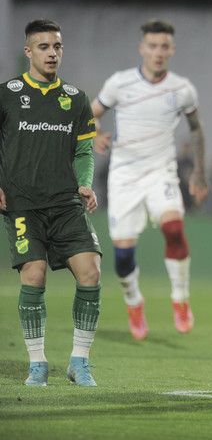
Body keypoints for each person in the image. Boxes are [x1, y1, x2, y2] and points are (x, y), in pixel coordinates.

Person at [91, 20, 208, 340]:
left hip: (162, 172)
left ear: (172, 50)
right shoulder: (120, 83)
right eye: (152, 46)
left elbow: (196, 128)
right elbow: (90, 114)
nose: (158, 52)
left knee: (174, 227)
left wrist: (198, 171)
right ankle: (134, 303)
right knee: (124, 254)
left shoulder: (182, 88)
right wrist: (95, 135)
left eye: (164, 46)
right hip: (124, 176)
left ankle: (180, 300)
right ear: (142, 48)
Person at [1, 19, 102, 386]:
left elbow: (85, 150)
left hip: (65, 203)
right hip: (23, 203)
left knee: (90, 272)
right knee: (35, 274)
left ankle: (79, 361)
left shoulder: (75, 98)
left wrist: (86, 184)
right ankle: (37, 363)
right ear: (28, 51)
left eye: (57, 46)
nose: (52, 53)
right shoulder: (7, 94)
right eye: (43, 47)